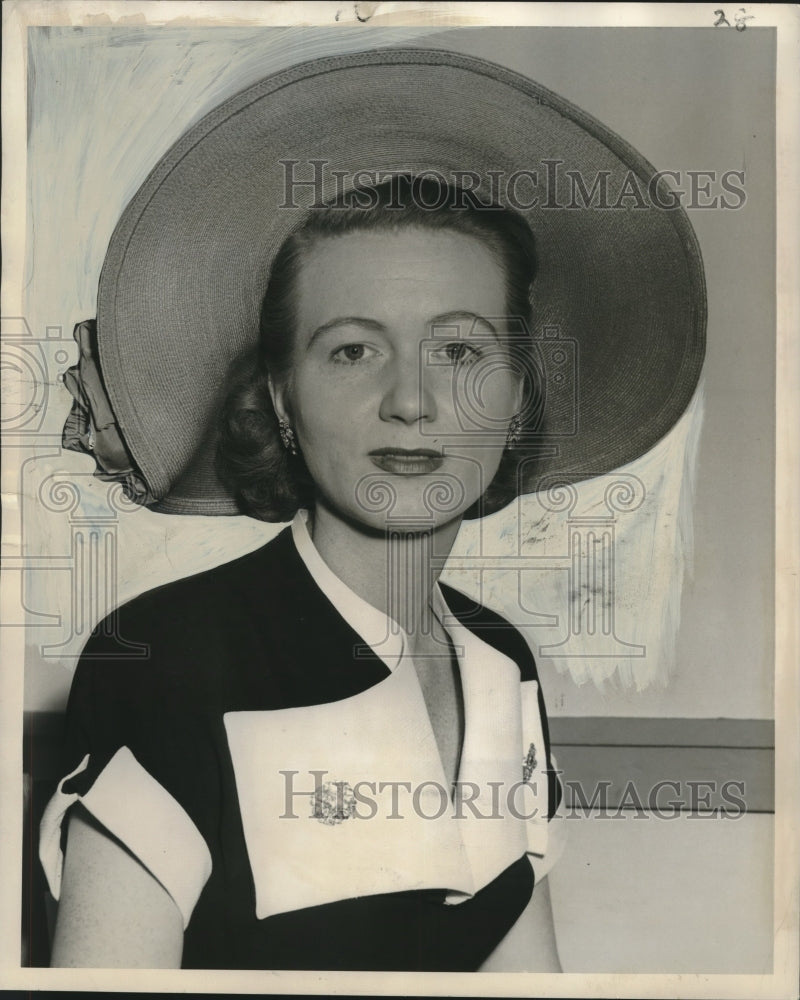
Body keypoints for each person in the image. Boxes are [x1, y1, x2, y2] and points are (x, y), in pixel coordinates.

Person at [38, 48, 705, 972]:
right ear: (278, 397)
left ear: (517, 397)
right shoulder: (164, 656)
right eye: (352, 351)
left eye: (462, 352)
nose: (413, 402)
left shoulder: (501, 662)